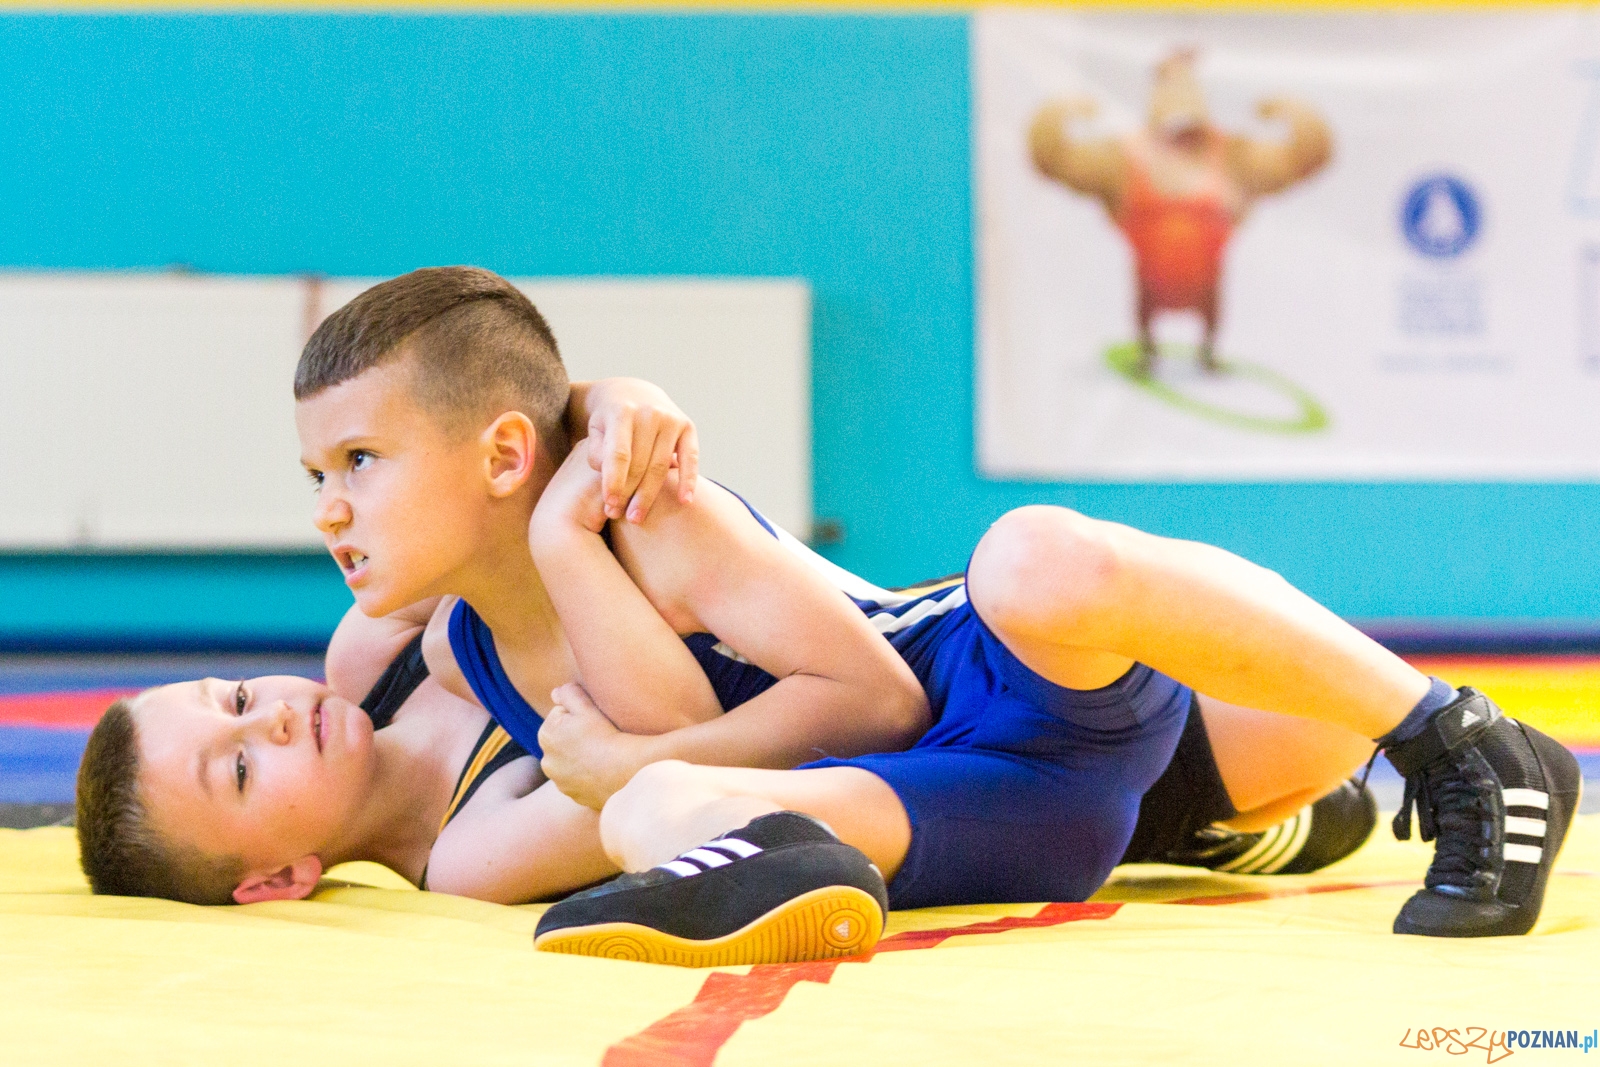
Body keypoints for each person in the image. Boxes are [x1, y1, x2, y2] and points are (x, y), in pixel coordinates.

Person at [77, 266, 1578, 961]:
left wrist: (594, 442)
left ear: (509, 459)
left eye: (352, 467)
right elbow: (624, 739)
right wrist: (559, 489)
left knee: (1040, 556)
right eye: (242, 758)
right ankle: (1256, 823)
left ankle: (1457, 740)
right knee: (662, 794)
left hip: (981, 695)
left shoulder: (621, 524)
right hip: (995, 783)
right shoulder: (446, 661)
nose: (327, 509)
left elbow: (878, 692)